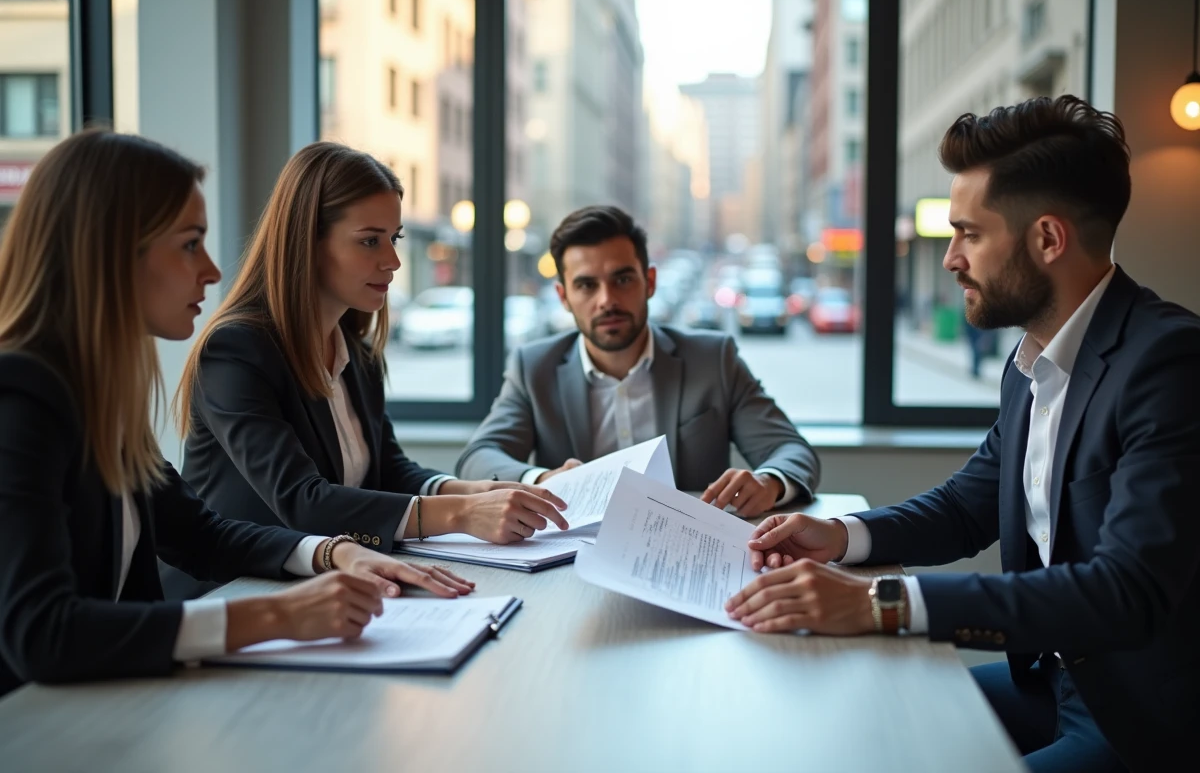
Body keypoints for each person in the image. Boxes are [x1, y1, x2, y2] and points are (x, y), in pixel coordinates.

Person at [722, 95, 1199, 771]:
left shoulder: (1169, 362)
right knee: (864, 720)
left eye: (968, 234)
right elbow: (967, 506)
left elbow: (1126, 590)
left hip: (1142, 719)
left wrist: (881, 602)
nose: (950, 258)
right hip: (1052, 681)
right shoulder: (1032, 361)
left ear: (1048, 239)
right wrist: (840, 536)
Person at [0, 130, 474, 696]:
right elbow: (42, 633)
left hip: (121, 699)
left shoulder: (95, 392)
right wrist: (276, 615)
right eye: (190, 244)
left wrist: (330, 552)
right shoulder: (20, 397)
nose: (210, 270)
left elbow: (197, 533)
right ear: (107, 251)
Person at [174, 142, 567, 592]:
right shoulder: (235, 351)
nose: (393, 261)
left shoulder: (356, 353)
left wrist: (474, 492)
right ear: (307, 242)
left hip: (323, 587)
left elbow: (389, 470)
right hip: (230, 590)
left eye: (394, 238)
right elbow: (302, 501)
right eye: (369, 241)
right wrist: (462, 513)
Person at [456, 205, 820, 517]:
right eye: (586, 285)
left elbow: (791, 450)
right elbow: (478, 458)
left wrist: (769, 482)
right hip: (572, 558)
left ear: (650, 282)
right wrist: (541, 480)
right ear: (564, 297)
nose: (607, 300)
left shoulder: (713, 360)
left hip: (689, 550)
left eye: (622, 279)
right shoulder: (535, 367)